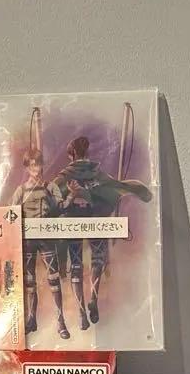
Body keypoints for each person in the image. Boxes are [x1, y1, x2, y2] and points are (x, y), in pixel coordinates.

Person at [51, 136, 152, 330]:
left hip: (74, 225)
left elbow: (51, 198)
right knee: (97, 260)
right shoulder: (97, 173)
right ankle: (93, 299)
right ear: (86, 152)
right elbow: (115, 186)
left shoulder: (63, 177)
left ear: (71, 154)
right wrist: (131, 190)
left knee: (76, 267)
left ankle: (82, 313)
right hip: (95, 221)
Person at [10, 150, 69, 339]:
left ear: (42, 165)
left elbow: (61, 208)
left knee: (53, 279)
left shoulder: (50, 186)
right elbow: (10, 214)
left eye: (38, 164)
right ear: (27, 167)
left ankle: (60, 321)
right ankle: (31, 319)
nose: (35, 168)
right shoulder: (21, 190)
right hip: (27, 239)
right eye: (32, 164)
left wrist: (71, 196)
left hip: (46, 238)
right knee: (29, 281)